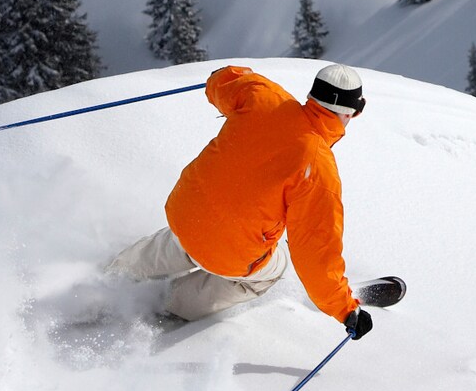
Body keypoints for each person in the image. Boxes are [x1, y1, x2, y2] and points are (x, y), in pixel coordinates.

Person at [107, 63, 375, 337]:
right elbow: (315, 254)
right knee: (273, 267)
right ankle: (168, 304)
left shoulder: (266, 97)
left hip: (185, 212)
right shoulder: (318, 168)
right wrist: (344, 310)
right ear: (349, 112)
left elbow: (224, 83)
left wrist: (220, 76)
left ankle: (116, 276)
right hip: (233, 251)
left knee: (187, 235)